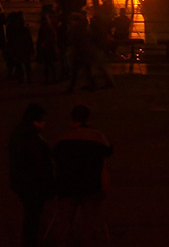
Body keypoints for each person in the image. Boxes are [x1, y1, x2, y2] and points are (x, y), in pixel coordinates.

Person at [53, 104, 113, 246]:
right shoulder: (97, 136)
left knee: (65, 223)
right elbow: (108, 151)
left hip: (67, 185)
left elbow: (53, 154)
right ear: (88, 118)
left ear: (72, 118)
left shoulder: (62, 138)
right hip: (91, 185)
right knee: (89, 223)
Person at [9, 104, 55, 247]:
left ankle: (28, 240)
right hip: (33, 186)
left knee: (30, 216)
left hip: (22, 183)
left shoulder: (18, 134)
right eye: (43, 121)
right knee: (32, 217)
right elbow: (40, 166)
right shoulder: (34, 141)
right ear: (35, 122)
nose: (45, 124)